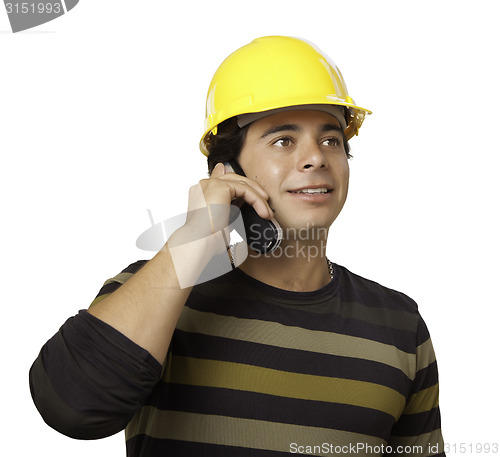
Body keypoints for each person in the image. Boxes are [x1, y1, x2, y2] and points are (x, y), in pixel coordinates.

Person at [29, 36, 445, 457]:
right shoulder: (159, 292)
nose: (316, 157)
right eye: (284, 140)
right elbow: (71, 407)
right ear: (227, 171)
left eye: (331, 139)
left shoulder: (400, 326)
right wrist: (194, 239)